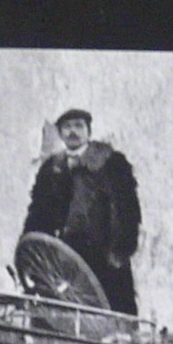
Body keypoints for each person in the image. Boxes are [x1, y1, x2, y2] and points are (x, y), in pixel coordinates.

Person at [22, 107, 142, 315]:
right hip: (64, 258)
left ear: (89, 131)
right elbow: (38, 214)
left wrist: (119, 251)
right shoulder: (51, 169)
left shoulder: (112, 164)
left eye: (79, 126)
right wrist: (33, 252)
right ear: (60, 133)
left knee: (109, 314)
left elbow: (128, 210)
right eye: (67, 127)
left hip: (103, 257)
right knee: (61, 315)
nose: (73, 132)